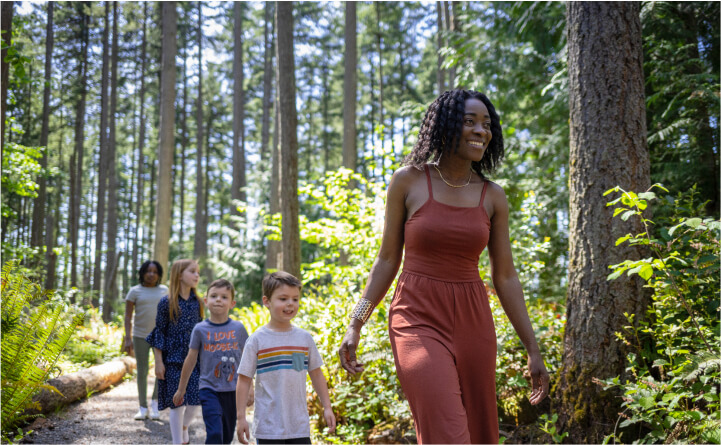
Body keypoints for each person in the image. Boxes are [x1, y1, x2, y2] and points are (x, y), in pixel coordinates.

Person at [338, 89, 550, 444]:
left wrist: (532, 347)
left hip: (473, 318)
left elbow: (506, 276)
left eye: (486, 124)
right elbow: (387, 259)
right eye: (469, 122)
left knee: (481, 429)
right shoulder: (409, 180)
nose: (481, 131)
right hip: (416, 315)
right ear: (446, 126)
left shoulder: (493, 196)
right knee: (446, 430)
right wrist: (356, 321)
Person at [236, 271, 336, 444]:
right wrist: (241, 417)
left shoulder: (304, 338)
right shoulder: (257, 340)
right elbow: (244, 380)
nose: (290, 304)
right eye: (283, 299)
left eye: (295, 299)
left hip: (299, 426)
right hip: (268, 429)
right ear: (266, 301)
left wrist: (327, 406)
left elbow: (316, 373)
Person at [173, 279, 251, 445]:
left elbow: (249, 359)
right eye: (214, 296)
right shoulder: (200, 329)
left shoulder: (238, 328)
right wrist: (181, 389)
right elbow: (190, 359)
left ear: (232, 303)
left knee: (227, 436)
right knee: (215, 432)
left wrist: (250, 388)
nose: (218, 300)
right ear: (206, 301)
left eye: (224, 297)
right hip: (208, 388)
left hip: (233, 390)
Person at [146, 259, 204, 444]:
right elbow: (159, 332)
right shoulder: (166, 302)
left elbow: (202, 331)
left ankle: (185, 427)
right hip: (171, 359)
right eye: (192, 271)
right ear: (180, 275)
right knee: (177, 404)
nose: (197, 275)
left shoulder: (198, 302)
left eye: (198, 272)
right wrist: (159, 361)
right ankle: (177, 441)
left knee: (194, 402)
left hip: (194, 359)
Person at [123, 260, 167, 421]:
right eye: (148, 271)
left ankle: (155, 405)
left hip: (160, 336)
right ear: (142, 273)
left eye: (155, 272)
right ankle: (142, 407)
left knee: (160, 371)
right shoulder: (134, 291)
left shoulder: (165, 291)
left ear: (159, 275)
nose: (151, 274)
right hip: (140, 336)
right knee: (142, 371)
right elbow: (127, 316)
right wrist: (128, 338)